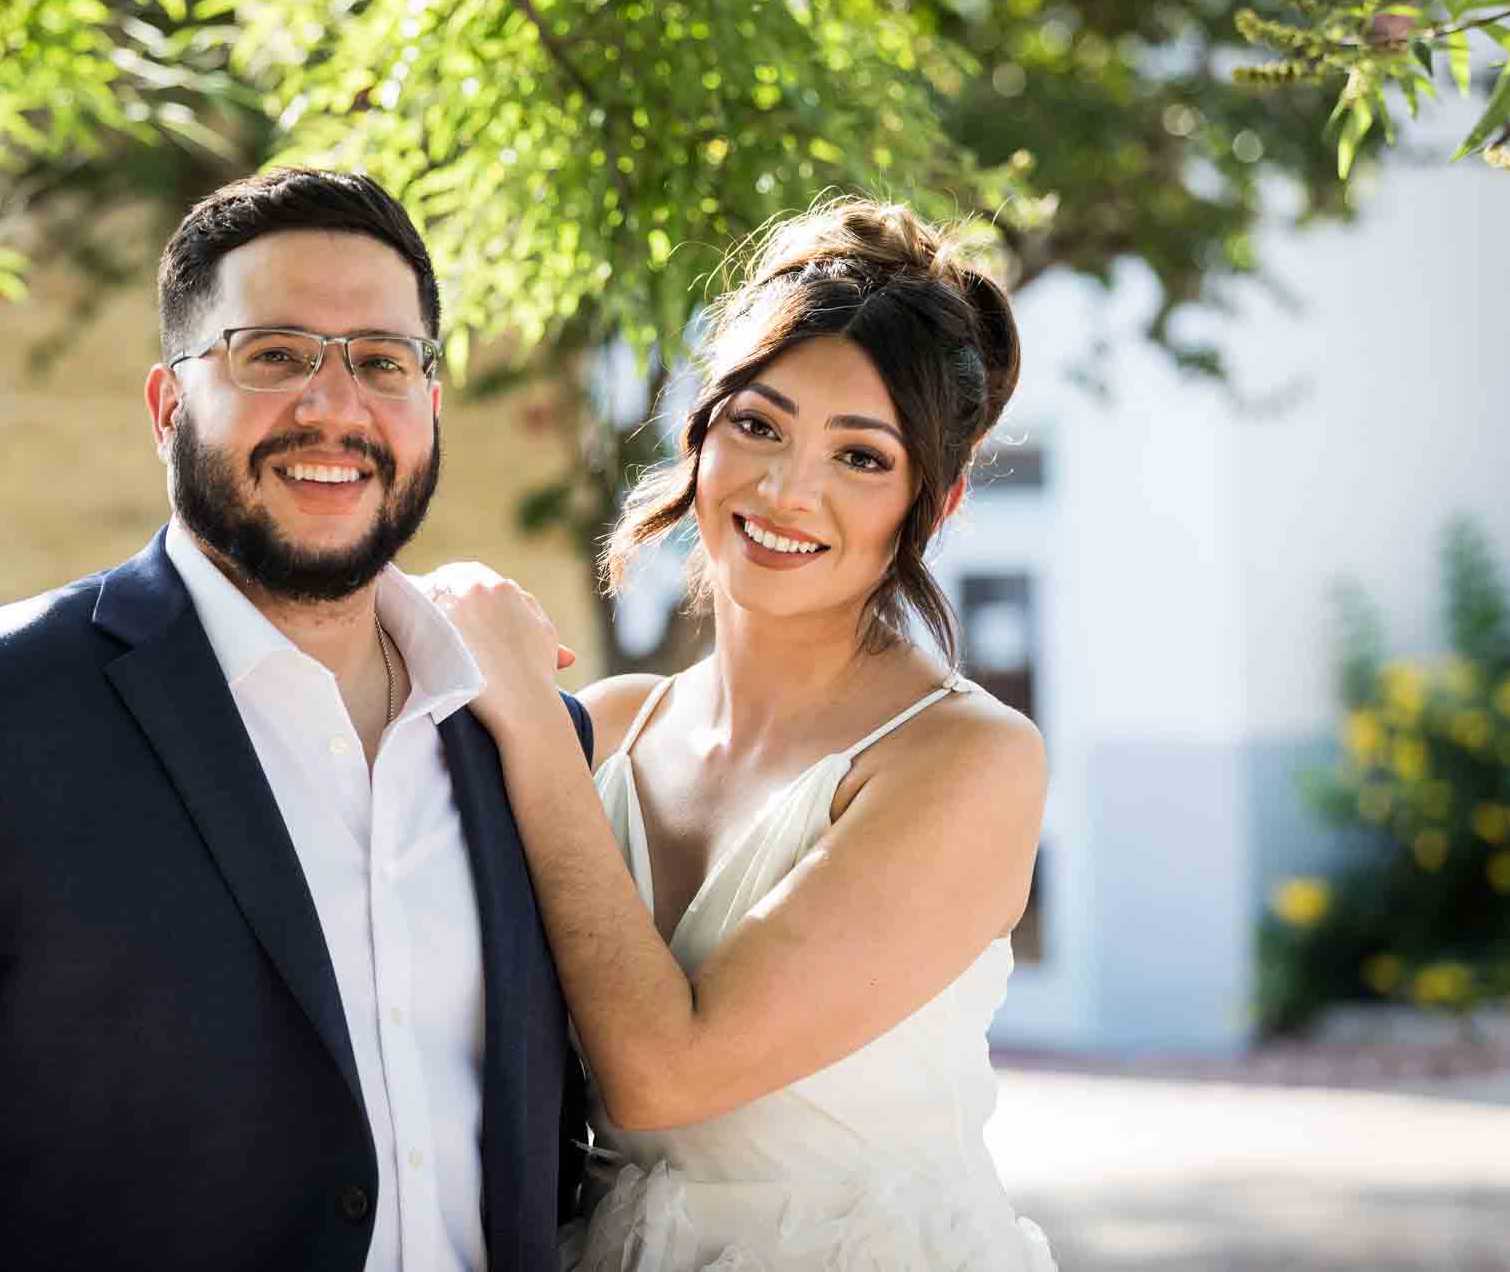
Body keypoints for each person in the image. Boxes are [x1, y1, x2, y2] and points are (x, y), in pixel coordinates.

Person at [0, 168, 591, 1271]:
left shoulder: (525, 739)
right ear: (169, 409)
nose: (333, 405)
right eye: (272, 354)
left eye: (380, 361)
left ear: (429, 405)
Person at [430, 198, 1057, 1269]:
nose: (784, 489)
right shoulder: (614, 725)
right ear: (699, 430)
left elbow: (666, 1072)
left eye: (859, 457)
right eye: (756, 425)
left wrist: (530, 724)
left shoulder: (964, 761)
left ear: (935, 503)